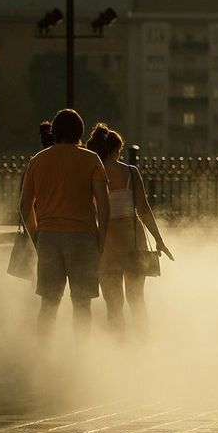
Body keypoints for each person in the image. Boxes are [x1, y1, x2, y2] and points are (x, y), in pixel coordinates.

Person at [20, 109, 111, 338]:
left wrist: (36, 237)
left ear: (54, 132)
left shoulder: (37, 161)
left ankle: (43, 353)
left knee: (48, 303)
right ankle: (79, 356)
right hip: (83, 237)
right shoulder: (91, 159)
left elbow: (24, 206)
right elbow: (104, 205)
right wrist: (101, 239)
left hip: (48, 237)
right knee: (82, 304)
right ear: (80, 131)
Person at [87, 123, 172, 336]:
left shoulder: (91, 174)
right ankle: (142, 345)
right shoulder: (130, 173)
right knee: (136, 300)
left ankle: (119, 347)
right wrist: (159, 240)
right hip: (133, 242)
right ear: (117, 150)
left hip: (106, 243)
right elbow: (143, 209)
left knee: (113, 306)